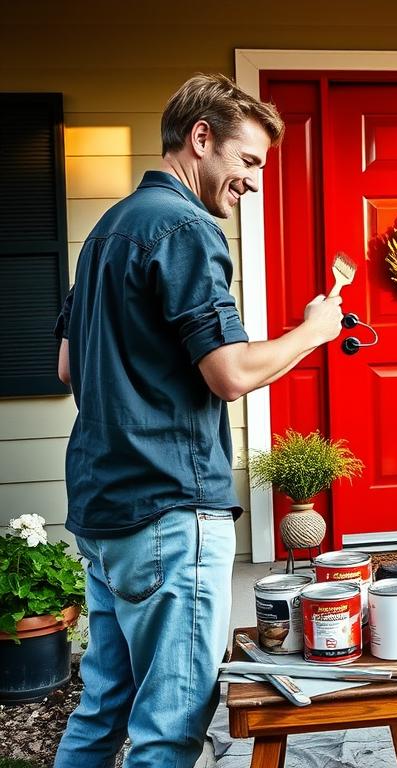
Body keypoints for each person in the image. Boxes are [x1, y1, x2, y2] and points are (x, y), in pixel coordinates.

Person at [53, 74, 343, 768]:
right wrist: (315, 329)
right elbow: (231, 373)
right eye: (248, 161)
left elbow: (67, 367)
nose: (254, 182)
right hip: (168, 512)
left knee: (103, 708)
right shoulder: (186, 229)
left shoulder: (107, 230)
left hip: (104, 508)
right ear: (201, 138)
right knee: (171, 727)